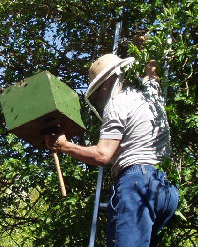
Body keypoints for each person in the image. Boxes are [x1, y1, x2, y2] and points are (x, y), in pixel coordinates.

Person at [45, 54, 179, 247]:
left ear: (108, 83)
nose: (100, 96)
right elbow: (153, 72)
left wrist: (64, 145)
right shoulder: (151, 91)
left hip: (137, 184)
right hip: (165, 188)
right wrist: (144, 46)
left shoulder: (117, 104)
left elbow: (103, 155)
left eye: (100, 89)